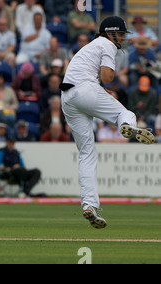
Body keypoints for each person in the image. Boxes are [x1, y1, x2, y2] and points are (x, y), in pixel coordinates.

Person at [60, 16, 155, 229]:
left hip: (67, 97)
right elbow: (107, 77)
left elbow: (90, 76)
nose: (122, 38)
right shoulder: (107, 44)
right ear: (110, 33)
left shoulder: (91, 46)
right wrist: (115, 74)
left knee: (86, 153)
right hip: (84, 90)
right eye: (120, 34)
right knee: (126, 113)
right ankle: (125, 125)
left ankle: (89, 205)